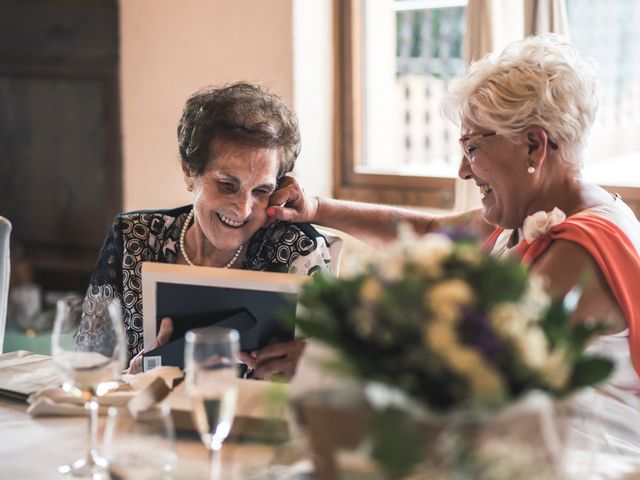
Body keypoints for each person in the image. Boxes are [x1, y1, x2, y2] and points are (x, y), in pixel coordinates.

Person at [268, 34, 640, 393]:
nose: (463, 170)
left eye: (473, 146)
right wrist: (315, 208)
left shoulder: (582, 250)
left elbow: (474, 366)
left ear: (533, 146)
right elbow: (429, 232)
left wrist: (327, 358)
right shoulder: (534, 214)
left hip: (583, 454)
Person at [77, 82, 333, 379]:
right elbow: (88, 372)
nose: (243, 209)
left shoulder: (299, 251)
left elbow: (324, 385)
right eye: (227, 184)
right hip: (149, 422)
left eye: (261, 191)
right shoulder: (133, 237)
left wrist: (316, 365)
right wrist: (133, 378)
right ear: (189, 170)